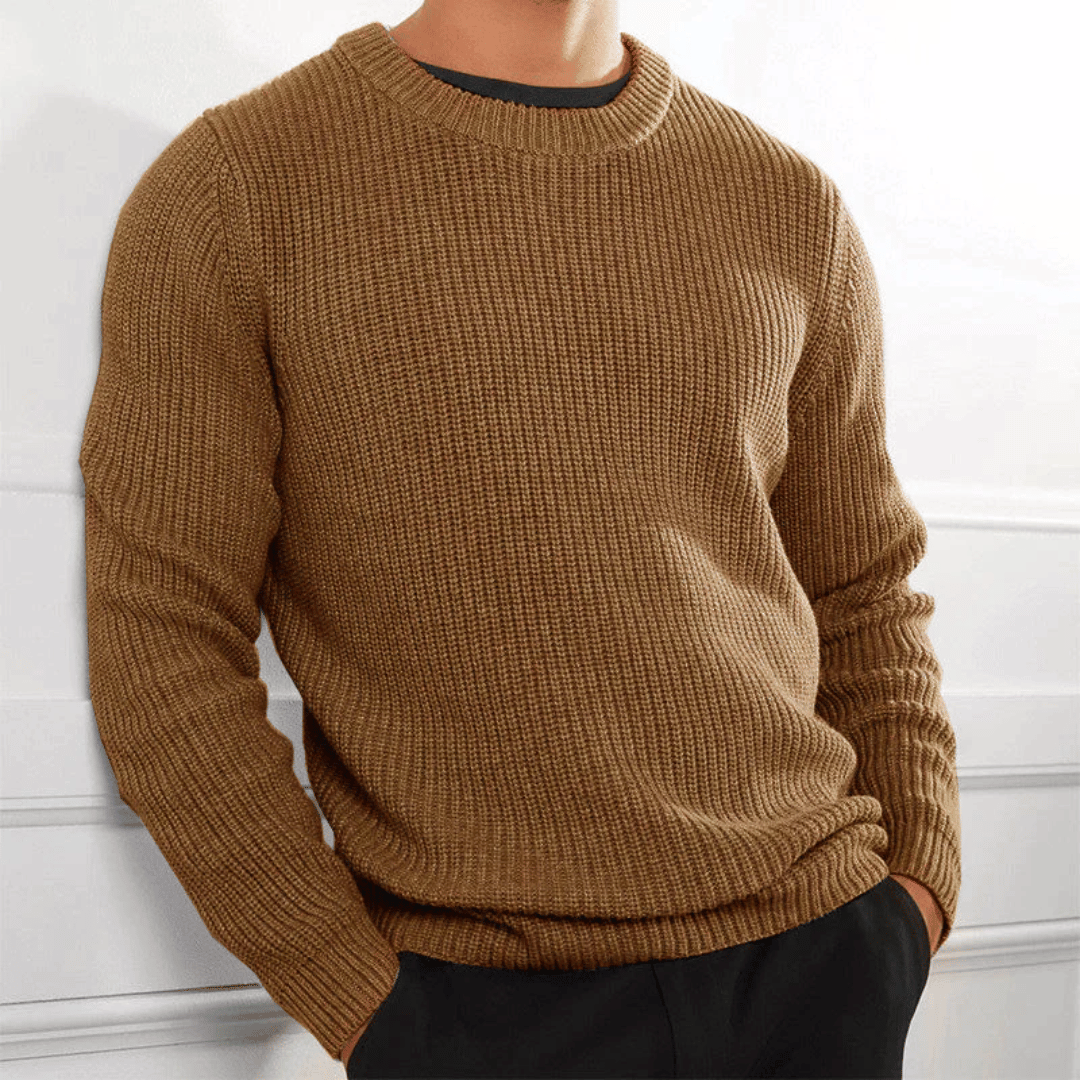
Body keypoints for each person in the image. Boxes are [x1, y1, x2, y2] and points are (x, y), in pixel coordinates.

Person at [79, 0, 960, 1075]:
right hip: (479, 1010)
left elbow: (863, 588)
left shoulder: (784, 201)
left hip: (820, 961)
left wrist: (914, 896)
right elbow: (162, 632)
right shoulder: (238, 188)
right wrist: (359, 1001)